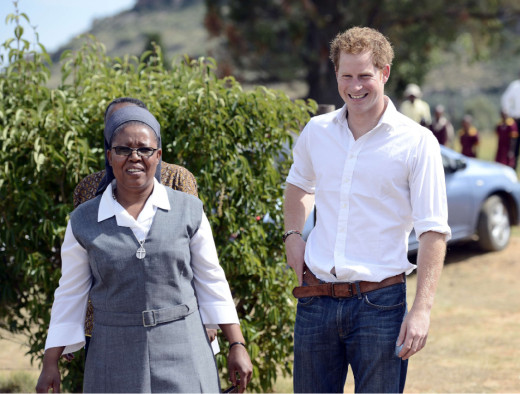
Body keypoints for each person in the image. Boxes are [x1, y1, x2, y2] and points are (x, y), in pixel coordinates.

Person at [36, 105, 252, 393]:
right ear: (110, 156)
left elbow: (212, 279)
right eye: (123, 149)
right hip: (113, 352)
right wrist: (50, 361)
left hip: (184, 347)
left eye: (145, 149)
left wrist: (236, 343)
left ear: (158, 156)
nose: (134, 157)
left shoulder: (189, 210)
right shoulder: (84, 220)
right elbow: (70, 293)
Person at [284, 27, 451, 393]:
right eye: (347, 76)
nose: (355, 86)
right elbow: (299, 183)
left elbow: (433, 231)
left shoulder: (417, 142)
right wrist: (293, 234)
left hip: (381, 304)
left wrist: (421, 310)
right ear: (336, 75)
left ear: (385, 73)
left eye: (365, 76)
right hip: (316, 299)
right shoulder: (317, 131)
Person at [71, 98, 219, 354]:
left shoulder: (178, 179)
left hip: (174, 320)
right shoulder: (88, 188)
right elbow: (78, 271)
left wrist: (208, 318)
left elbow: (195, 259)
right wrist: (69, 330)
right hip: (106, 325)